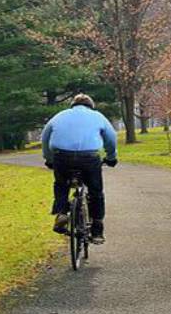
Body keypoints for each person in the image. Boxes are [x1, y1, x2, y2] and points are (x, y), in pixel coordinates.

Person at [41, 93, 117, 244]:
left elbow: (45, 137)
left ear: (72, 105)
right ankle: (97, 230)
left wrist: (49, 159)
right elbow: (111, 138)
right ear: (91, 106)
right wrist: (111, 157)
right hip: (89, 158)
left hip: (62, 157)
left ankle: (62, 213)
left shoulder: (59, 116)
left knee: (61, 184)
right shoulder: (98, 116)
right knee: (95, 192)